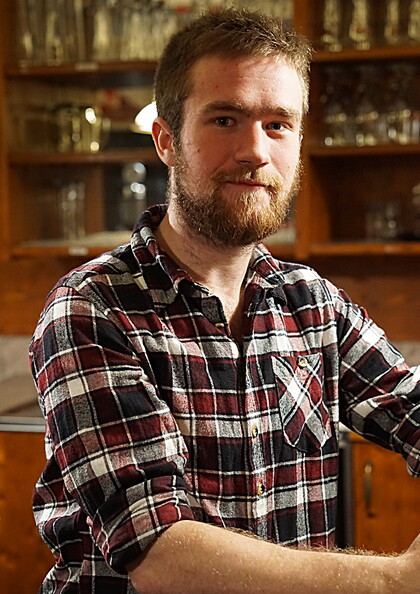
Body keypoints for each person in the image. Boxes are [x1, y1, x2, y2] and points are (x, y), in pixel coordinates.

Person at [30, 8, 419, 594]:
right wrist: (394, 581)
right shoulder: (90, 309)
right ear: (167, 140)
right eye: (225, 119)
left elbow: (412, 409)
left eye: (278, 124)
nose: (254, 151)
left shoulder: (311, 301)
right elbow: (159, 550)